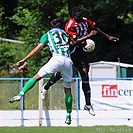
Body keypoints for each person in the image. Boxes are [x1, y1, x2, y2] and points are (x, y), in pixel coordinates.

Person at [41, 6, 119, 116]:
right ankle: (46, 87)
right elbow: (73, 42)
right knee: (60, 74)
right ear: (73, 16)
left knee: (85, 76)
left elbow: (95, 28)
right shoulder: (69, 25)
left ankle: (88, 104)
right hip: (71, 52)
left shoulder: (85, 20)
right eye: (78, 16)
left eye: (81, 14)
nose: (81, 17)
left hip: (82, 52)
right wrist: (88, 36)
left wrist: (108, 36)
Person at [8, 18, 73, 125]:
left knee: (36, 77)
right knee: (68, 90)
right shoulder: (66, 34)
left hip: (56, 59)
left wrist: (24, 59)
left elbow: (37, 49)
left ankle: (21, 94)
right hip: (68, 61)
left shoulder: (48, 34)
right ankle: (68, 115)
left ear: (51, 27)